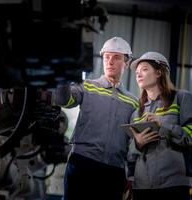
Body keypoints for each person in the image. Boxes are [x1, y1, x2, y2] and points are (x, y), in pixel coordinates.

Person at [54, 37, 138, 200]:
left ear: (126, 63)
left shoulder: (132, 101)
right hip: (82, 163)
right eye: (106, 57)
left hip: (114, 171)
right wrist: (64, 75)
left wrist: (131, 175)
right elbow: (63, 100)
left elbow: (134, 142)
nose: (110, 61)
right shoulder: (87, 86)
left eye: (116, 57)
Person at [128, 51, 192, 200]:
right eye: (137, 72)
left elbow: (189, 138)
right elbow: (129, 154)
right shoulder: (137, 113)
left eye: (144, 69)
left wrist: (162, 123)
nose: (138, 74)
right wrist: (137, 144)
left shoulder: (182, 98)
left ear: (158, 72)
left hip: (173, 185)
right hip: (141, 186)